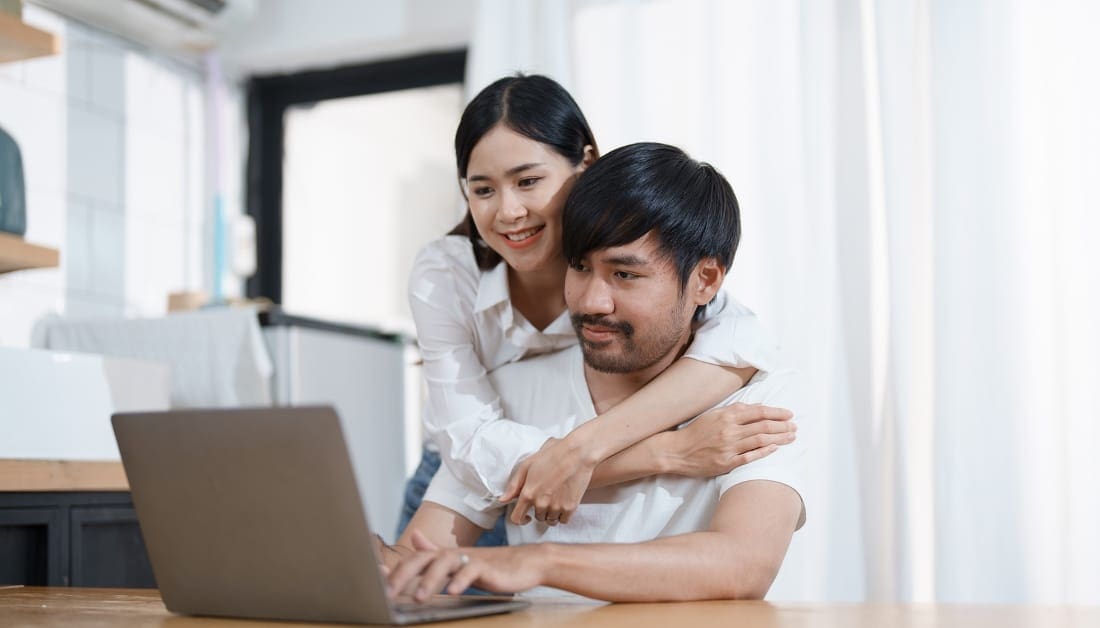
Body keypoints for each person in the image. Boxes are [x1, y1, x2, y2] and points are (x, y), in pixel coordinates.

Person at [382, 143, 806, 601]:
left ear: (705, 281)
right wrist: (380, 564)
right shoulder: (508, 391)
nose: (590, 303)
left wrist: (539, 562)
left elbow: (743, 565)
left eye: (624, 275)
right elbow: (419, 560)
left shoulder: (758, 396)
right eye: (579, 267)